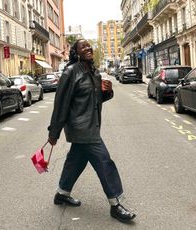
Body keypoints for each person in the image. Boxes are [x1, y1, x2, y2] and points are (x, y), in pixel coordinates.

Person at [47, 39, 136, 223]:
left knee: (76, 160)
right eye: (82, 47)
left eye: (89, 46)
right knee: (104, 162)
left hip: (92, 125)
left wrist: (107, 92)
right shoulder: (71, 72)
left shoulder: (93, 72)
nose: (87, 48)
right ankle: (115, 204)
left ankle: (62, 193)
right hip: (81, 129)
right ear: (76, 53)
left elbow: (93, 101)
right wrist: (54, 132)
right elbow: (61, 104)